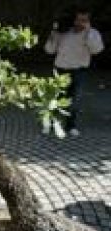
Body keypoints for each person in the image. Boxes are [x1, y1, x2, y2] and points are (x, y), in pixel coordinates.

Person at [45, 7, 104, 136]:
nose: (81, 23)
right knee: (56, 97)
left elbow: (97, 50)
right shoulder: (64, 32)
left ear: (88, 21)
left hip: (79, 71)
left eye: (84, 20)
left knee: (74, 99)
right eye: (79, 20)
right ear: (74, 20)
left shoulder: (93, 33)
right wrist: (53, 35)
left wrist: (88, 32)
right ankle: (51, 123)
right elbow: (49, 50)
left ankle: (71, 126)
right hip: (60, 69)